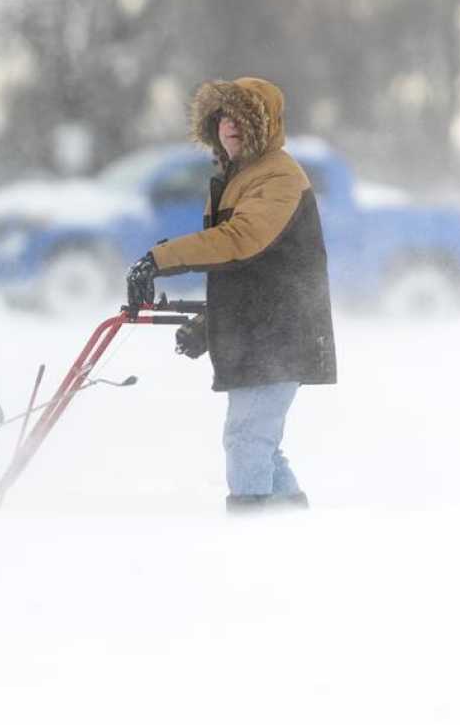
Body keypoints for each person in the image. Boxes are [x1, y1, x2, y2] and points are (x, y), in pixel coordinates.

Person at [126, 77, 336, 513]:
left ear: (266, 124)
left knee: (247, 439)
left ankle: (251, 533)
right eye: (224, 116)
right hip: (265, 330)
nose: (231, 126)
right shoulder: (243, 177)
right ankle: (289, 525)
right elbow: (250, 272)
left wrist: (160, 259)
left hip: (281, 334)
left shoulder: (277, 176)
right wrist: (211, 323)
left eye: (245, 117)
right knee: (260, 443)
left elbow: (241, 240)